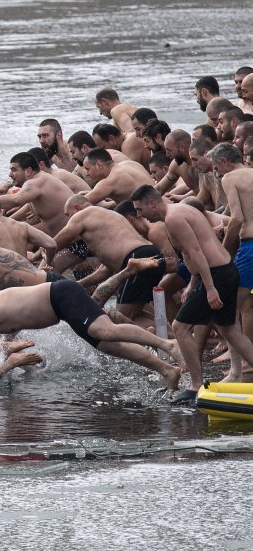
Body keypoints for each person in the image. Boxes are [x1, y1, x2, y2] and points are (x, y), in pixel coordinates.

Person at [0, 280, 183, 392]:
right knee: (109, 346)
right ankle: (166, 370)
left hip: (61, 295)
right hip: (61, 308)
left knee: (105, 331)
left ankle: (167, 344)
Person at [132, 185, 253, 402]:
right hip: (223, 271)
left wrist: (209, 288)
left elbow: (197, 251)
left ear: (152, 203)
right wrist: (193, 284)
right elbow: (192, 253)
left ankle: (196, 385)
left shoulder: (173, 218)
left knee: (180, 327)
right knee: (230, 330)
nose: (141, 215)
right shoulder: (179, 212)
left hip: (217, 275)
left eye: (140, 210)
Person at [51, 195, 164, 326]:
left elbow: (54, 243)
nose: (68, 219)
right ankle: (170, 338)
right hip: (151, 255)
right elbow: (104, 272)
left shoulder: (82, 215)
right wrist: (77, 286)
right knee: (136, 313)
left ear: (77, 208)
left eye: (67, 214)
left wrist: (44, 258)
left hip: (137, 258)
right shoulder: (108, 221)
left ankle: (162, 341)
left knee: (121, 317)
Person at [213, 142, 253, 354]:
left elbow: (237, 218)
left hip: (250, 247)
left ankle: (244, 365)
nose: (217, 174)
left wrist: (223, 249)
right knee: (248, 303)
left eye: (216, 168)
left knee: (232, 306)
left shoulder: (230, 178)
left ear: (224, 162)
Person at [0, 152, 74, 236]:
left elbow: (16, 200)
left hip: (76, 243)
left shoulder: (36, 182)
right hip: (62, 239)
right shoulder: (38, 181)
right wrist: (7, 222)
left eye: (14, 170)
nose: (10, 174)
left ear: (28, 171)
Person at [0, 192, 58, 258]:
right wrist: (46, 262)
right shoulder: (23, 226)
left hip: (3, 278)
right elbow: (51, 244)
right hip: (26, 275)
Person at [81, 148, 154, 206]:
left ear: (99, 165)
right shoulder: (131, 163)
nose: (87, 174)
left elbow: (78, 205)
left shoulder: (110, 181)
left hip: (154, 219)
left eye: (88, 169)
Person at [27, 146, 92, 193]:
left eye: (31, 169)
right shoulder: (51, 176)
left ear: (41, 165)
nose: (29, 173)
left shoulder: (57, 177)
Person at [154, 129, 200, 195]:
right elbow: (159, 188)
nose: (167, 154)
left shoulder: (202, 163)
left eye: (169, 150)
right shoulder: (176, 165)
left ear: (182, 147)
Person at [189, 137, 227, 213]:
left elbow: (231, 206)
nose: (193, 165)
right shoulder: (208, 174)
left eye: (195, 159)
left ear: (207, 154)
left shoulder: (224, 173)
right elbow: (199, 201)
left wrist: (212, 215)